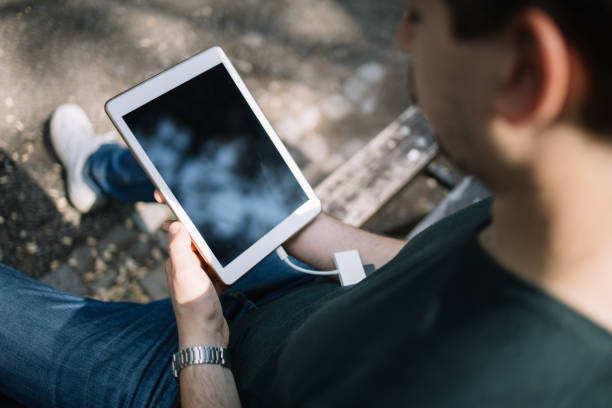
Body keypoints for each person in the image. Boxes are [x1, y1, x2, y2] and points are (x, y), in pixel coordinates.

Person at [2, 0, 612, 406]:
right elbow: (429, 266)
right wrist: (308, 233)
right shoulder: (567, 214)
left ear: (526, 72)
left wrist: (202, 338)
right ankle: (96, 170)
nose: (401, 35)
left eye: (422, 15)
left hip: (200, 378)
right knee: (202, 160)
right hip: (307, 289)